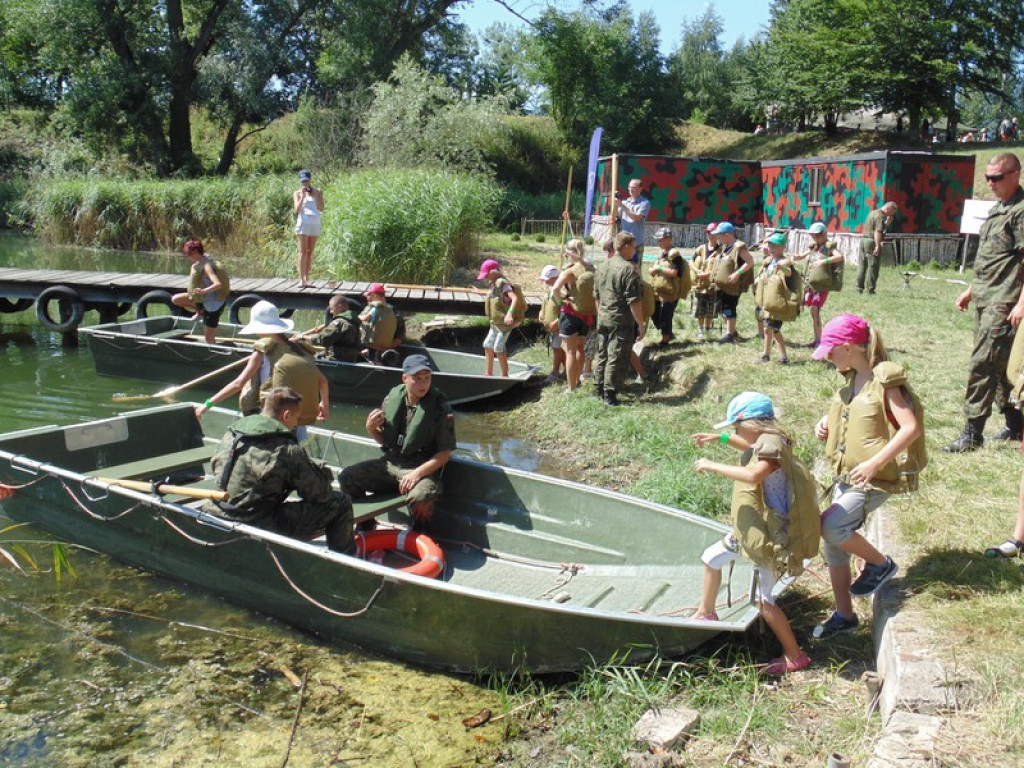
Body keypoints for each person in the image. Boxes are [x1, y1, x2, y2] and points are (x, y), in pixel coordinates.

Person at [811, 314, 922, 639]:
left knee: (832, 526)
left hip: (873, 478)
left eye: (831, 351)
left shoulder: (883, 381)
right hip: (848, 476)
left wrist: (875, 463)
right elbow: (855, 414)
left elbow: (910, 428)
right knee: (833, 545)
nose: (828, 357)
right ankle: (844, 615)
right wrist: (826, 423)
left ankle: (880, 564)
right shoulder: (852, 380)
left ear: (848, 348)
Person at [692, 391, 816, 675]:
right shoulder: (768, 438)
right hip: (756, 528)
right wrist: (720, 438)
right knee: (711, 558)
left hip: (775, 535)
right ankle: (706, 613)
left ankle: (795, 656)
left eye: (736, 427)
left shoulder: (771, 444)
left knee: (762, 599)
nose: (736, 432)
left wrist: (712, 465)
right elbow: (749, 446)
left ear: (751, 423)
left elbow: (754, 475)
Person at [203, 386, 355, 554]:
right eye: (296, 418)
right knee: (341, 502)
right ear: (286, 415)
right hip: (255, 522)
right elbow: (320, 494)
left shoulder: (232, 433)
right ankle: (345, 563)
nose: (295, 424)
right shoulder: (285, 447)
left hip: (217, 509)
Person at [945, 152, 1024, 452]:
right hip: (986, 297)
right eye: (988, 177)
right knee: (1001, 365)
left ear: (1015, 174)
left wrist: (1022, 304)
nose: (990, 183)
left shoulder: (1020, 211)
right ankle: (1016, 424)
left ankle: (972, 432)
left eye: (996, 177)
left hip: (1005, 301)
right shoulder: (998, 209)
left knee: (983, 362)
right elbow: (992, 257)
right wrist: (971, 289)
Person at [339, 354, 456, 525]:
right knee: (347, 477)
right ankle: (366, 525)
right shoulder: (392, 399)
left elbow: (445, 453)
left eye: (427, 378)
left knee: (421, 497)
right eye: (417, 379)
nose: (423, 384)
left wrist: (416, 474)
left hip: (421, 469)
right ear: (405, 378)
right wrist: (371, 428)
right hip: (390, 465)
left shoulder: (440, 407)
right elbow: (386, 442)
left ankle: (420, 531)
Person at [196, 300, 329, 441]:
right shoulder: (298, 349)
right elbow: (323, 381)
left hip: (272, 424)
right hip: (297, 422)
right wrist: (324, 404)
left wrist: (206, 405)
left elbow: (238, 384)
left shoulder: (262, 351)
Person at [593, 232, 646, 406]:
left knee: (603, 354)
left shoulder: (602, 266)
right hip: (620, 320)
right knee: (615, 356)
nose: (635, 250)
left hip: (603, 317)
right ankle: (610, 393)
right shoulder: (628, 269)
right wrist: (640, 324)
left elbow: (596, 296)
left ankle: (598, 388)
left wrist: (601, 313)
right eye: (633, 247)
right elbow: (634, 301)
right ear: (626, 246)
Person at [551, 239, 596, 391]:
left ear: (570, 253)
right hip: (586, 314)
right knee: (580, 348)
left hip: (570, 313)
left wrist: (561, 303)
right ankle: (577, 381)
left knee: (570, 351)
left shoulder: (569, 271)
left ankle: (571, 388)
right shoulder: (591, 267)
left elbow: (555, 289)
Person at [792, 222, 844, 347]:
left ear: (824, 234)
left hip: (821, 286)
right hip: (810, 286)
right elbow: (805, 254)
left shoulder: (829, 247)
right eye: (813, 236)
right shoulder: (814, 247)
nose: (815, 238)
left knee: (815, 310)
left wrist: (824, 261)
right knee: (811, 310)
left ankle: (819, 341)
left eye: (817, 235)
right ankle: (817, 339)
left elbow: (839, 257)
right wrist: (798, 257)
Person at [171, 239, 229, 344]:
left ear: (194, 252)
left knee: (209, 339)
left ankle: (218, 351)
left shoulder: (207, 266)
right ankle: (201, 312)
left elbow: (218, 284)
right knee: (176, 299)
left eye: (188, 254)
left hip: (213, 306)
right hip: (203, 300)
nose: (187, 257)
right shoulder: (200, 261)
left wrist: (204, 291)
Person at [477, 258, 524, 378]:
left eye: (486, 274)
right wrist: (480, 292)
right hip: (495, 323)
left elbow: (514, 298)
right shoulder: (495, 284)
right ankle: (488, 373)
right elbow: (494, 296)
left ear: (493, 272)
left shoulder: (503, 284)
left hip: (504, 325)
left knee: (498, 347)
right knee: (487, 344)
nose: (485, 277)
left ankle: (504, 375)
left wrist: (510, 314)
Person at [711, 222, 755, 343]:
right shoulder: (724, 247)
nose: (717, 237)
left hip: (733, 286)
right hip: (723, 285)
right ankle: (733, 332)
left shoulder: (739, 247)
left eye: (719, 235)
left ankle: (729, 334)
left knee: (729, 308)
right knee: (722, 309)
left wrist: (737, 274)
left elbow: (750, 261)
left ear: (726, 235)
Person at [753, 232, 793, 364]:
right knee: (766, 328)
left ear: (782, 247)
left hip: (777, 302)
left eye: (774, 246)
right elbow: (766, 275)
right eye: (770, 246)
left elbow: (789, 273)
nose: (771, 249)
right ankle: (766, 354)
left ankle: (783, 356)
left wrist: (783, 268)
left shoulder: (784, 261)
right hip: (767, 301)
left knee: (775, 330)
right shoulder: (769, 261)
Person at [648, 227, 689, 346]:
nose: (658, 242)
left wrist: (659, 268)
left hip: (670, 292)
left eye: (661, 240)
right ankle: (668, 334)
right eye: (658, 240)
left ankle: (665, 341)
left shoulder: (674, 255)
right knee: (654, 313)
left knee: (666, 316)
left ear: (669, 239)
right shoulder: (662, 253)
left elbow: (675, 272)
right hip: (658, 291)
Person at [856, 201, 897, 295]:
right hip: (872, 241)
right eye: (892, 212)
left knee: (862, 265)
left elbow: (874, 226)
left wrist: (887, 223)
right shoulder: (880, 216)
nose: (891, 215)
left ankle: (859, 288)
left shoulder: (872, 212)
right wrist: (878, 245)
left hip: (864, 240)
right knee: (873, 266)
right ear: (887, 208)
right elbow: (877, 231)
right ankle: (870, 290)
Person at [308, 294, 363, 363]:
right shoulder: (354, 321)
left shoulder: (339, 322)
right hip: (350, 359)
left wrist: (303, 337)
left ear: (339, 307)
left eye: (332, 308)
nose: (330, 312)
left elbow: (323, 339)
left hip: (335, 360)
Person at [293, 169, 324, 288]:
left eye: (306, 181)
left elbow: (321, 208)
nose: (305, 183)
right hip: (303, 223)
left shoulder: (317, 191)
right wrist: (302, 196)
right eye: (303, 181)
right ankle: (301, 280)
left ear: (310, 180)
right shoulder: (297, 193)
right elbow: (297, 209)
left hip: (315, 223)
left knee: (310, 252)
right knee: (303, 251)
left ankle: (307, 279)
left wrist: (318, 195)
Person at [691, 223, 721, 342]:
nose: (710, 235)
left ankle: (708, 329)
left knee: (710, 309)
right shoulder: (701, 248)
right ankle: (700, 330)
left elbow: (720, 268)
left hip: (712, 286)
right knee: (700, 309)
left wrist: (706, 274)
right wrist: (696, 271)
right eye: (708, 233)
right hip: (700, 285)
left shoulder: (721, 251)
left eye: (713, 233)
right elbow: (691, 261)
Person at [538, 264, 566, 382]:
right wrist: (541, 312)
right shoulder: (550, 291)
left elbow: (566, 309)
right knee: (558, 349)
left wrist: (557, 320)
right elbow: (546, 303)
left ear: (555, 278)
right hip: (552, 329)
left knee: (557, 349)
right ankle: (567, 371)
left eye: (547, 280)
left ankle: (555, 372)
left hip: (559, 327)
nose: (545, 282)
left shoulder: (560, 292)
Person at [358, 283, 398, 364]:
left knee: (374, 361)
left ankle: (375, 364)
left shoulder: (377, 308)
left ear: (374, 295)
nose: (367, 298)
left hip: (375, 344)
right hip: (384, 344)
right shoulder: (389, 310)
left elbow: (366, 318)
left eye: (369, 295)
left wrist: (357, 317)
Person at [616, 178, 650, 258]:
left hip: (636, 243)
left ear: (640, 189)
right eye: (629, 187)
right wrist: (615, 203)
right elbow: (617, 216)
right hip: (623, 242)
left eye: (634, 187)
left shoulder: (645, 203)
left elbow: (636, 218)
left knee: (636, 266)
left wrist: (622, 206)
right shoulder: (624, 202)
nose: (631, 190)